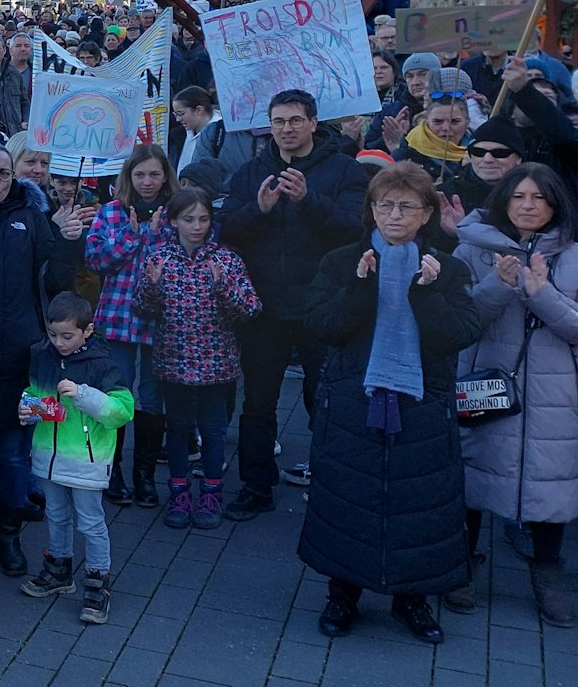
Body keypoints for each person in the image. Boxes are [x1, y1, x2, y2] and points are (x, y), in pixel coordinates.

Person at [302, 162, 479, 643]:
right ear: (371, 210)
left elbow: (461, 334)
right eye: (385, 204)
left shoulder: (449, 268)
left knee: (417, 505)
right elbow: (322, 326)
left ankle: (413, 600)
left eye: (407, 206)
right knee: (349, 499)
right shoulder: (341, 262)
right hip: (353, 398)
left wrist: (426, 295)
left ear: (426, 214)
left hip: (422, 405)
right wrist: (360, 289)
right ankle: (343, 596)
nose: (394, 214)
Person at [219, 89, 369, 517]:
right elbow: (227, 230)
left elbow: (353, 231)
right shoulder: (251, 172)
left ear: (313, 123)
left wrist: (309, 200)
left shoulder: (343, 170)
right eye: (278, 121)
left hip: (323, 304)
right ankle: (256, 485)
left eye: (295, 120)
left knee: (323, 399)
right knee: (259, 403)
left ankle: (330, 484)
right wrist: (259, 210)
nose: (286, 129)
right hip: (264, 307)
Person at [0, 145, 86, 575]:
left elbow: (59, 281)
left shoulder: (31, 214)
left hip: (18, 358)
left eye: (4, 174)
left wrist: (67, 244)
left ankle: (8, 535)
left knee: (12, 457)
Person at [448, 164, 578, 625]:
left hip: (554, 393)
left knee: (549, 478)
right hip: (485, 383)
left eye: (539, 198)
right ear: (504, 200)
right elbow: (461, 323)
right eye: (518, 196)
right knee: (472, 471)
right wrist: (499, 286)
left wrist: (542, 293)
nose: (528, 205)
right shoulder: (473, 249)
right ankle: (458, 563)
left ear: (555, 204)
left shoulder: (576, 255)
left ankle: (548, 569)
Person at [135, 186, 260, 530]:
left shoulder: (226, 259)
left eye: (203, 219)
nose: (197, 226)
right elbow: (142, 309)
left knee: (213, 430)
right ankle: (179, 492)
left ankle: (211, 493)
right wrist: (153, 288)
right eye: (189, 219)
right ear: (173, 221)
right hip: (173, 360)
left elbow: (250, 308)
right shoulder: (158, 259)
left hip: (216, 364)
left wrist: (223, 288)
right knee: (177, 429)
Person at [17, 294, 135, 626]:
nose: (59, 342)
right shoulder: (43, 356)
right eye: (53, 335)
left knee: (91, 522)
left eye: (67, 336)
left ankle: (98, 582)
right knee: (55, 514)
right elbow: (36, 393)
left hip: (86, 460)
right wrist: (28, 407)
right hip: (48, 457)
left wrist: (84, 395)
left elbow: (122, 411)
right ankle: (59, 569)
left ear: (87, 331)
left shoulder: (102, 364)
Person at [82, 144, 176, 508]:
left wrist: (152, 236)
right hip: (118, 316)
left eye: (154, 174)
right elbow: (97, 260)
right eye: (140, 175)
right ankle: (113, 469)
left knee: (153, 397)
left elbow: (181, 258)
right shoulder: (111, 212)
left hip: (161, 317)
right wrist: (133, 236)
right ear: (128, 177)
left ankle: (145, 474)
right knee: (117, 396)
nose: (147, 182)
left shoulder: (175, 213)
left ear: (165, 175)